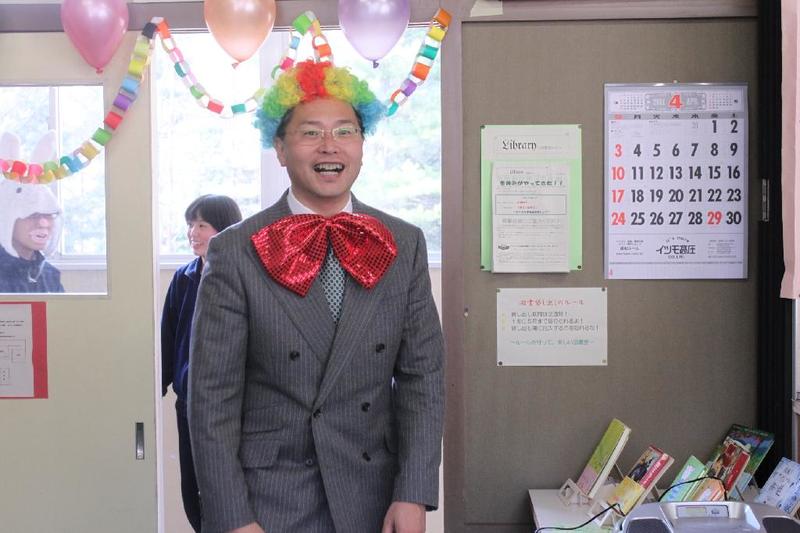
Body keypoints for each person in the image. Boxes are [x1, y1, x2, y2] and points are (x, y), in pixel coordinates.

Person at [188, 59, 445, 533]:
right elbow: (211, 399)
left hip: (374, 496)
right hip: (268, 500)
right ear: (280, 149)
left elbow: (422, 378)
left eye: (345, 131)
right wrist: (232, 517)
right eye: (311, 133)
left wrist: (414, 491)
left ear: (362, 146)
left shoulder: (403, 243)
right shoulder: (235, 250)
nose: (330, 145)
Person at [161, 194, 243, 532]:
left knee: (227, 487)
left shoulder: (245, 275)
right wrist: (158, 384)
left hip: (235, 403)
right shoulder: (184, 277)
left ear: (225, 229)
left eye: (201, 225)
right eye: (190, 225)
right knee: (192, 488)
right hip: (190, 402)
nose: (192, 233)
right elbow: (168, 336)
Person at [0, 180, 64, 293]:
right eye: (33, 215)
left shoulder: (50, 275)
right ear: (6, 219)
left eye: (49, 215)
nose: (43, 224)